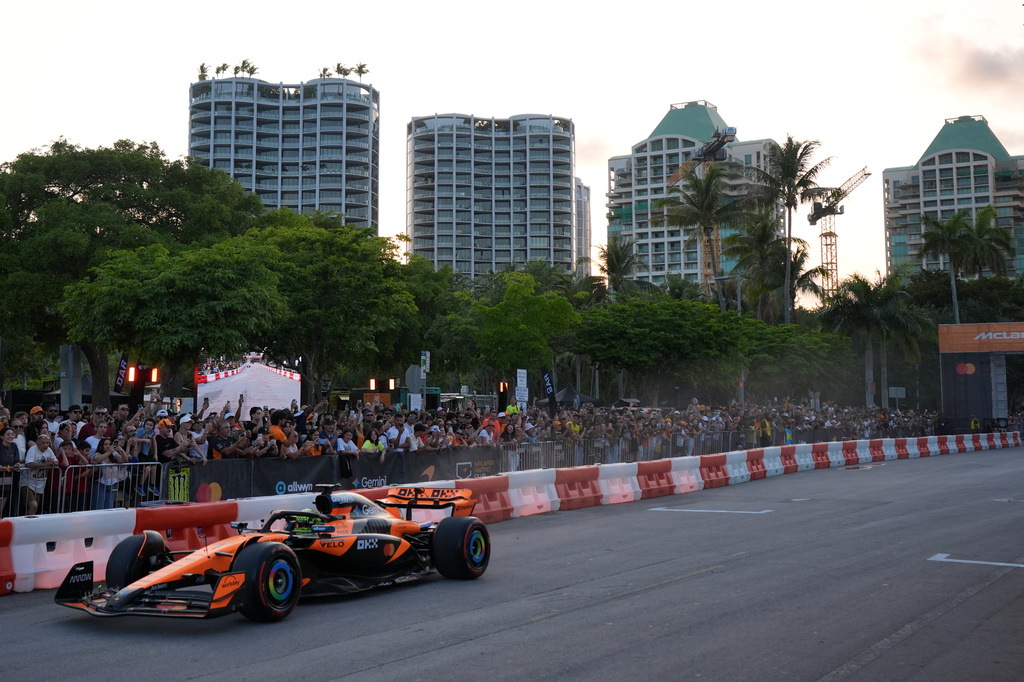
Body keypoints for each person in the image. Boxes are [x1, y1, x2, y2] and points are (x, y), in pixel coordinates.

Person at [22, 432, 60, 515]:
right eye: (43, 443)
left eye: (47, 443)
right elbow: (28, 463)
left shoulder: (48, 450)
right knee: (33, 505)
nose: (45, 445)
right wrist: (45, 465)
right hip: (28, 482)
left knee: (35, 507)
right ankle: (29, 524)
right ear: (37, 443)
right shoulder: (33, 449)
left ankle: (30, 523)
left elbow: (57, 462)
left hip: (40, 484)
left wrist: (52, 463)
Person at [91, 436, 126, 510]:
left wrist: (122, 451)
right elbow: (97, 459)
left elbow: (123, 460)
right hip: (100, 484)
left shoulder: (114, 454)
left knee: (109, 507)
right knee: (99, 506)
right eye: (105, 444)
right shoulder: (98, 453)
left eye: (109, 444)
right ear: (101, 446)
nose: (108, 446)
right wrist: (109, 452)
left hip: (111, 484)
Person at [1, 426, 22, 517]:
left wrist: (17, 465)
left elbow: (16, 460)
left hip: (7, 479)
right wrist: (7, 468)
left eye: (12, 434)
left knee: (3, 503)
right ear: (2, 437)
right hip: (2, 474)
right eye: (8, 434)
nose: (11, 436)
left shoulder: (14, 446)